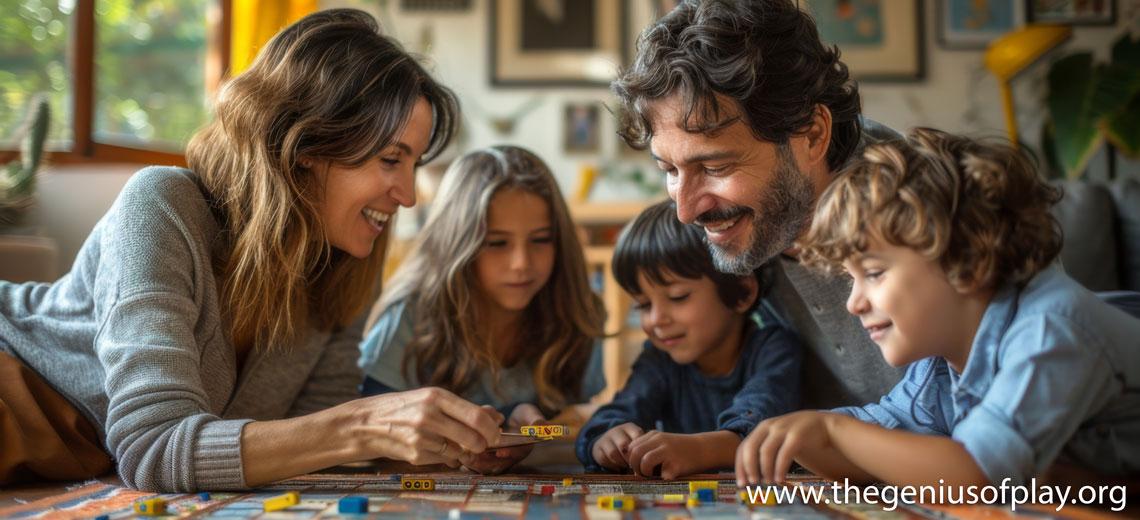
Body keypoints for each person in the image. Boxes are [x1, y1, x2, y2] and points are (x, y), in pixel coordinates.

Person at [0, 9, 506, 492]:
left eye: (413, 164)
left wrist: (431, 444)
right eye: (391, 159)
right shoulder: (161, 203)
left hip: (86, 454)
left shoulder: (346, 258)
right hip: (20, 393)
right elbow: (153, 447)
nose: (409, 195)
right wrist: (366, 424)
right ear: (306, 145)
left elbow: (309, 438)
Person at [735, 128, 1140, 487]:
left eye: (873, 273)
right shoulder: (940, 367)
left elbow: (975, 475)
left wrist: (832, 429)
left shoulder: (1052, 330)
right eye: (851, 278)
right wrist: (800, 436)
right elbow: (878, 457)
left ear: (966, 261)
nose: (853, 303)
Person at [612, 0, 904, 409]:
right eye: (670, 169)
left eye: (715, 165)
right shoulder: (757, 221)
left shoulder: (928, 219)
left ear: (813, 134)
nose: (686, 211)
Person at [359, 145, 607, 474]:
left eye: (541, 239)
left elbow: (578, 418)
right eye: (496, 243)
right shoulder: (408, 316)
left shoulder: (578, 310)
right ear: (457, 243)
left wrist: (525, 421)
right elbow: (372, 443)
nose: (521, 264)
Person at [576, 200, 800, 479]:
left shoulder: (775, 348)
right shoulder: (660, 359)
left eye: (677, 297)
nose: (656, 319)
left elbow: (762, 429)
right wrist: (606, 438)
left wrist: (698, 450)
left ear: (741, 292)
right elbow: (619, 411)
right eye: (643, 305)